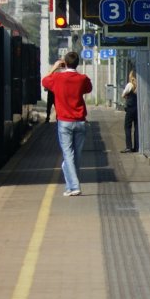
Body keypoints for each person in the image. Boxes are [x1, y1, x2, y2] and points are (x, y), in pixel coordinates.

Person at [41, 51, 92, 197]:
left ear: (64, 63)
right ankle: (70, 187)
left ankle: (75, 186)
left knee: (68, 155)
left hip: (64, 122)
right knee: (76, 156)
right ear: (77, 63)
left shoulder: (57, 78)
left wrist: (54, 68)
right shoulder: (82, 78)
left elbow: (44, 81)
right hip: (80, 121)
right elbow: (88, 88)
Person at [121, 69, 139, 153]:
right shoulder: (139, 85)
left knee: (127, 127)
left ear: (131, 76)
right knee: (137, 128)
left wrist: (126, 96)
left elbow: (123, 94)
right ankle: (137, 147)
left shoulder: (129, 85)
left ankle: (128, 147)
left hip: (130, 108)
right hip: (137, 108)